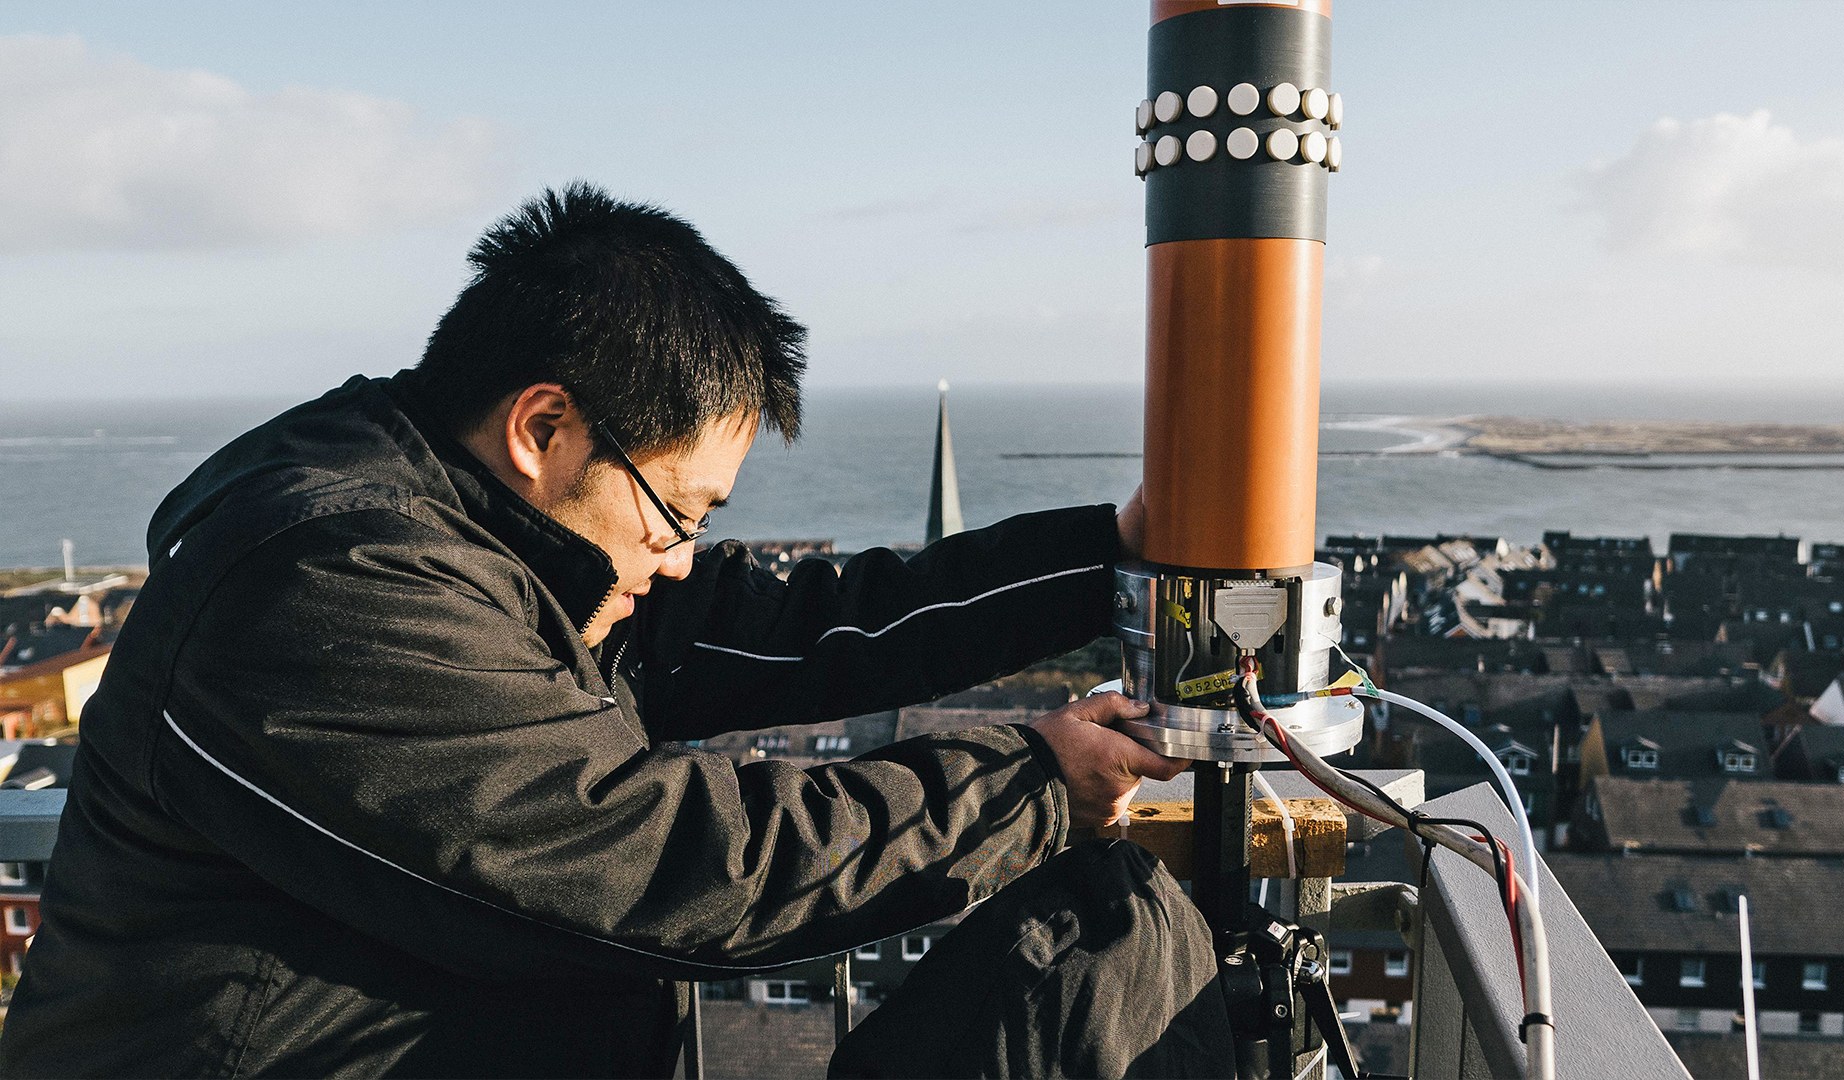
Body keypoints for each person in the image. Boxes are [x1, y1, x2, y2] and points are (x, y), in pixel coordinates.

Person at [0, 183, 1187, 1077]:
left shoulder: (494, 547)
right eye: (677, 511)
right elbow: (655, 867)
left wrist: (1102, 555)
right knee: (1091, 954)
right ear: (543, 426)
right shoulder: (329, 586)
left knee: (1107, 950)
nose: (677, 558)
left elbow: (808, 622)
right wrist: (1024, 786)